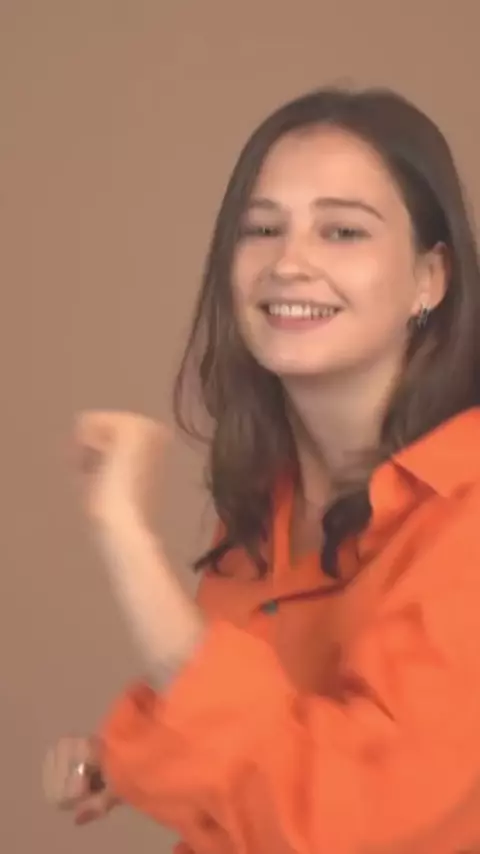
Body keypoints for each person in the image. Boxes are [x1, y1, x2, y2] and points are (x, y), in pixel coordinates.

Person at [42, 86, 480, 853]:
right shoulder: (271, 506)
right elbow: (260, 747)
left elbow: (352, 823)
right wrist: (120, 758)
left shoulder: (467, 513)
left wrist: (127, 541)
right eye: (262, 229)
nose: (289, 262)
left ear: (429, 278)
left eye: (342, 230)